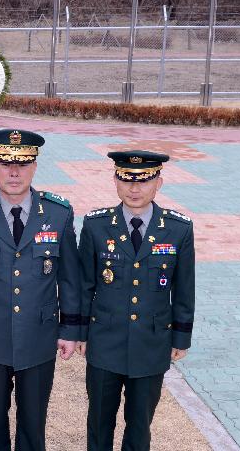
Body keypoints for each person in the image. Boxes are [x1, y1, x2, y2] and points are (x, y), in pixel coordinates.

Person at [0, 129, 81, 451]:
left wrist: (69, 330)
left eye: (23, 164)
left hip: (39, 336)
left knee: (33, 423)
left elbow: (69, 278)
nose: (14, 173)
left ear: (35, 166)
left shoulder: (58, 213)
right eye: (5, 163)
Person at [77, 150, 195, 451]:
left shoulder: (179, 229)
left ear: (159, 183)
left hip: (151, 343)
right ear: (115, 181)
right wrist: (79, 333)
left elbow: (184, 288)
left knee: (140, 426)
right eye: (126, 179)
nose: (134, 188)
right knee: (99, 424)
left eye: (143, 180)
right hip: (105, 341)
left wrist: (180, 337)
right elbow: (84, 285)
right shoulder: (96, 225)